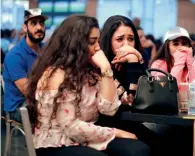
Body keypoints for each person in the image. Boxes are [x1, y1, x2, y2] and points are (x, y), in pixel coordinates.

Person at [26, 15, 150, 156]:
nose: (98, 47)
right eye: (92, 42)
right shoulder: (57, 74)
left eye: (98, 41)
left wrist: (106, 69)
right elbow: (71, 127)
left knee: (139, 150)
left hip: (85, 138)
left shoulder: (90, 72)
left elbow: (109, 109)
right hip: (57, 142)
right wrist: (118, 133)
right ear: (75, 45)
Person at [100, 15, 166, 156]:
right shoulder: (101, 65)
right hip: (105, 127)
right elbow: (131, 100)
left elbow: (143, 99)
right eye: (119, 39)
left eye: (131, 39)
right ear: (108, 41)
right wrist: (133, 59)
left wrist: (134, 60)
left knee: (167, 144)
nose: (126, 45)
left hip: (130, 123)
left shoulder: (133, 62)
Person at [150, 26, 195, 156]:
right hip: (166, 118)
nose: (180, 47)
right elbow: (168, 91)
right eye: (175, 43)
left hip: (190, 116)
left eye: (184, 44)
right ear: (167, 46)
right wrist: (179, 63)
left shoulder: (193, 63)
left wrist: (190, 64)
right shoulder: (158, 65)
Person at [3, 8, 47, 122]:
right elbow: (28, 92)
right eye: (33, 23)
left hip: (42, 98)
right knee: (54, 115)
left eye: (41, 23)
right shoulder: (15, 55)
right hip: (19, 107)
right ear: (25, 27)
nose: (39, 27)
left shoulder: (46, 49)